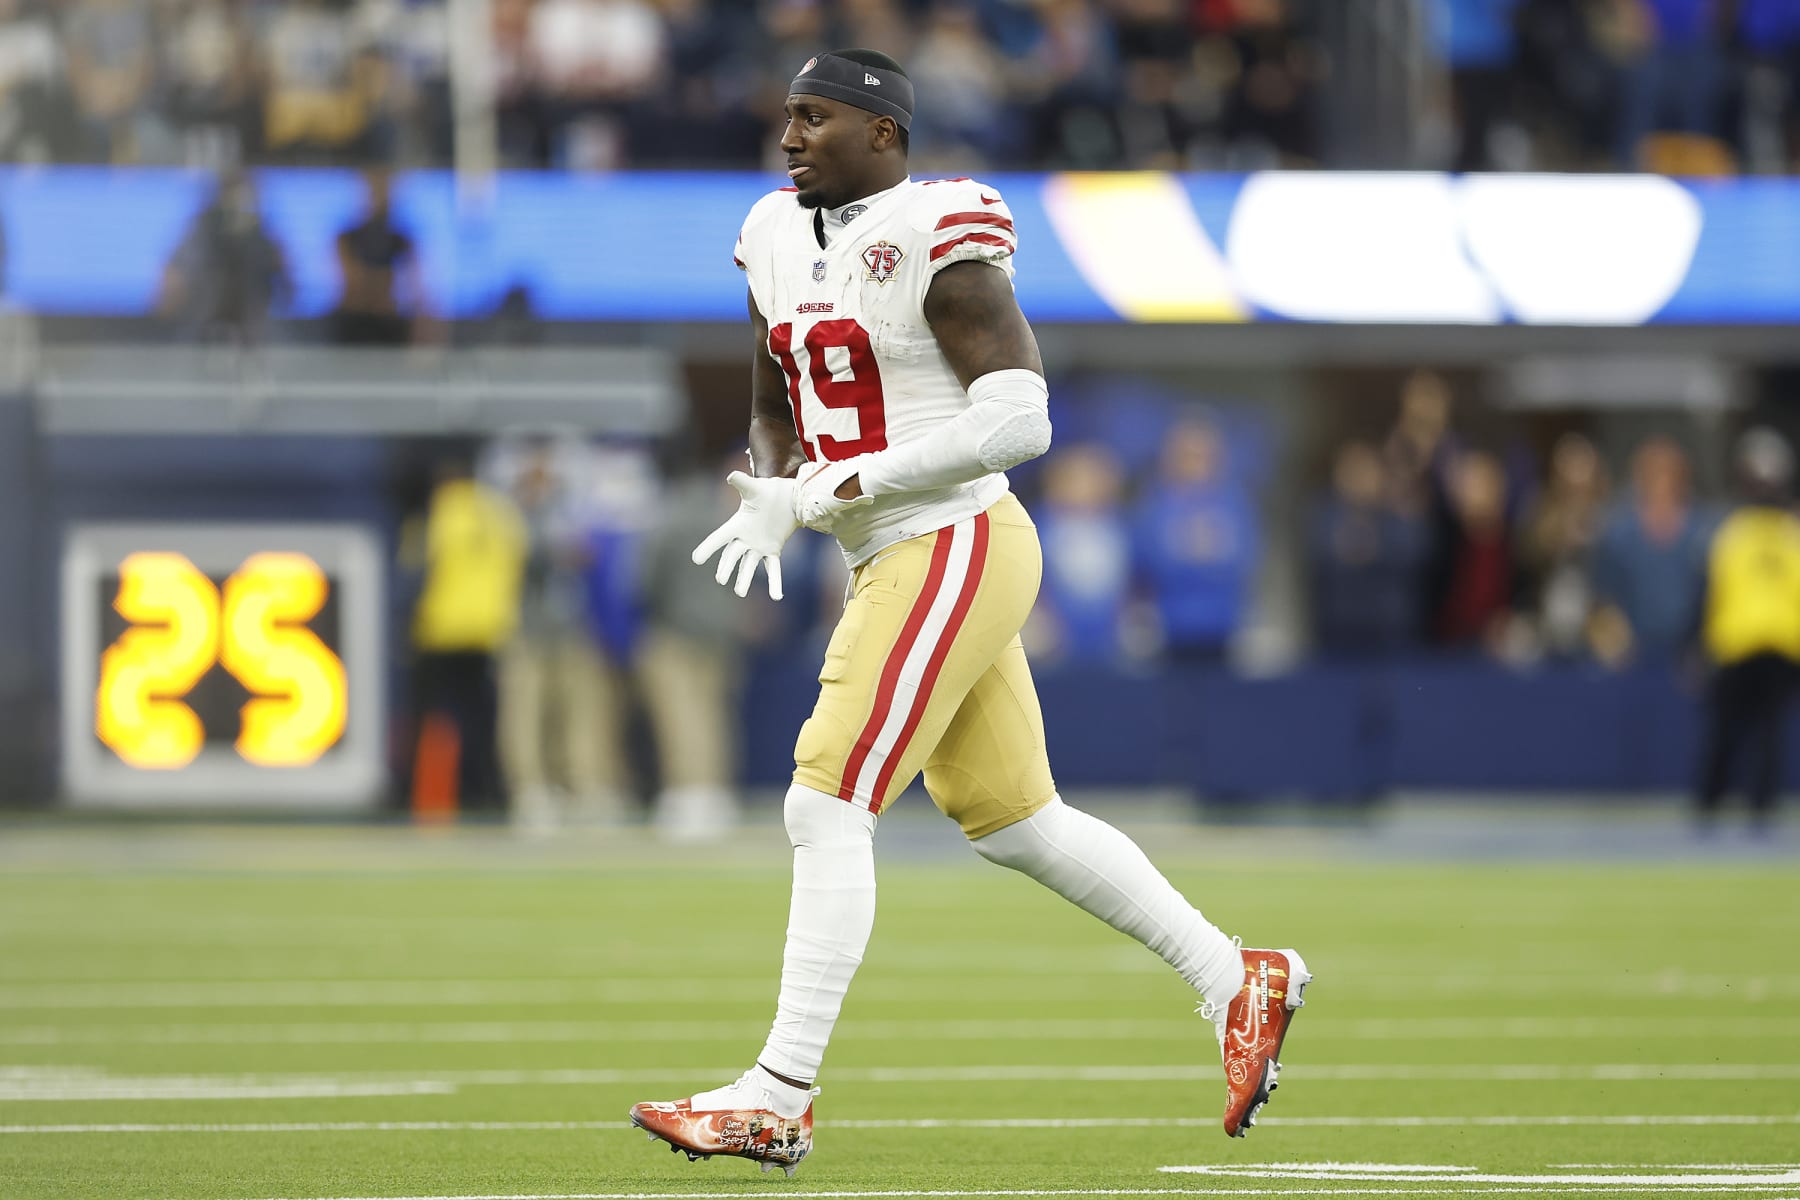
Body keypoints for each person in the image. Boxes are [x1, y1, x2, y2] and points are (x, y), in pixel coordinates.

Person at [627, 48, 1310, 1175]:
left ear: (884, 134)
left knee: (824, 799)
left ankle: (780, 1095)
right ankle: (1236, 976)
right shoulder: (771, 233)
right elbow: (775, 391)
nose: (790, 137)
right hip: (891, 551)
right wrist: (770, 482)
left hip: (950, 536)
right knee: (1015, 821)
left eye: (816, 117)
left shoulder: (937, 230)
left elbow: (1019, 422)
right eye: (787, 115)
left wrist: (835, 489)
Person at [1695, 428, 1800, 835]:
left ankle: (1749, 806)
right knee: (1734, 732)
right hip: (1744, 644)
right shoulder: (1737, 532)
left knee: (1762, 734)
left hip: (1768, 645)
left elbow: (1709, 591)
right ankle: (1715, 803)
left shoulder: (1757, 532)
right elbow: (1711, 590)